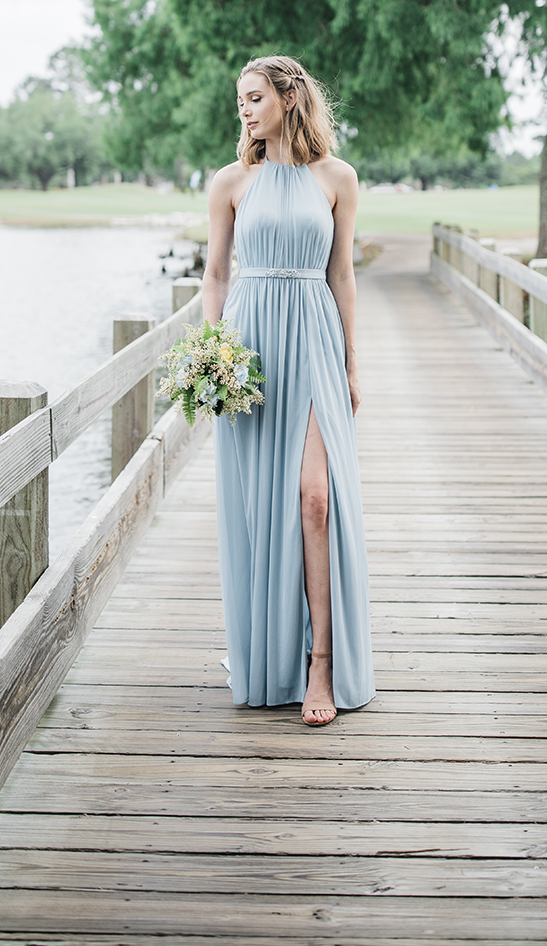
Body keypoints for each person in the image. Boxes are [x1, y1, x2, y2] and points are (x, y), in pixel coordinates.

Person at [201, 55, 376, 725]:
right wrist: (212, 356)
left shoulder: (337, 178)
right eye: (239, 100)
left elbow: (344, 276)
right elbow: (215, 276)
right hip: (249, 350)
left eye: (254, 97)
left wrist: (353, 366)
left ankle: (321, 665)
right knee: (257, 508)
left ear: (287, 96)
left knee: (313, 500)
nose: (244, 109)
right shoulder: (230, 182)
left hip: (314, 341)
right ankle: (268, 659)